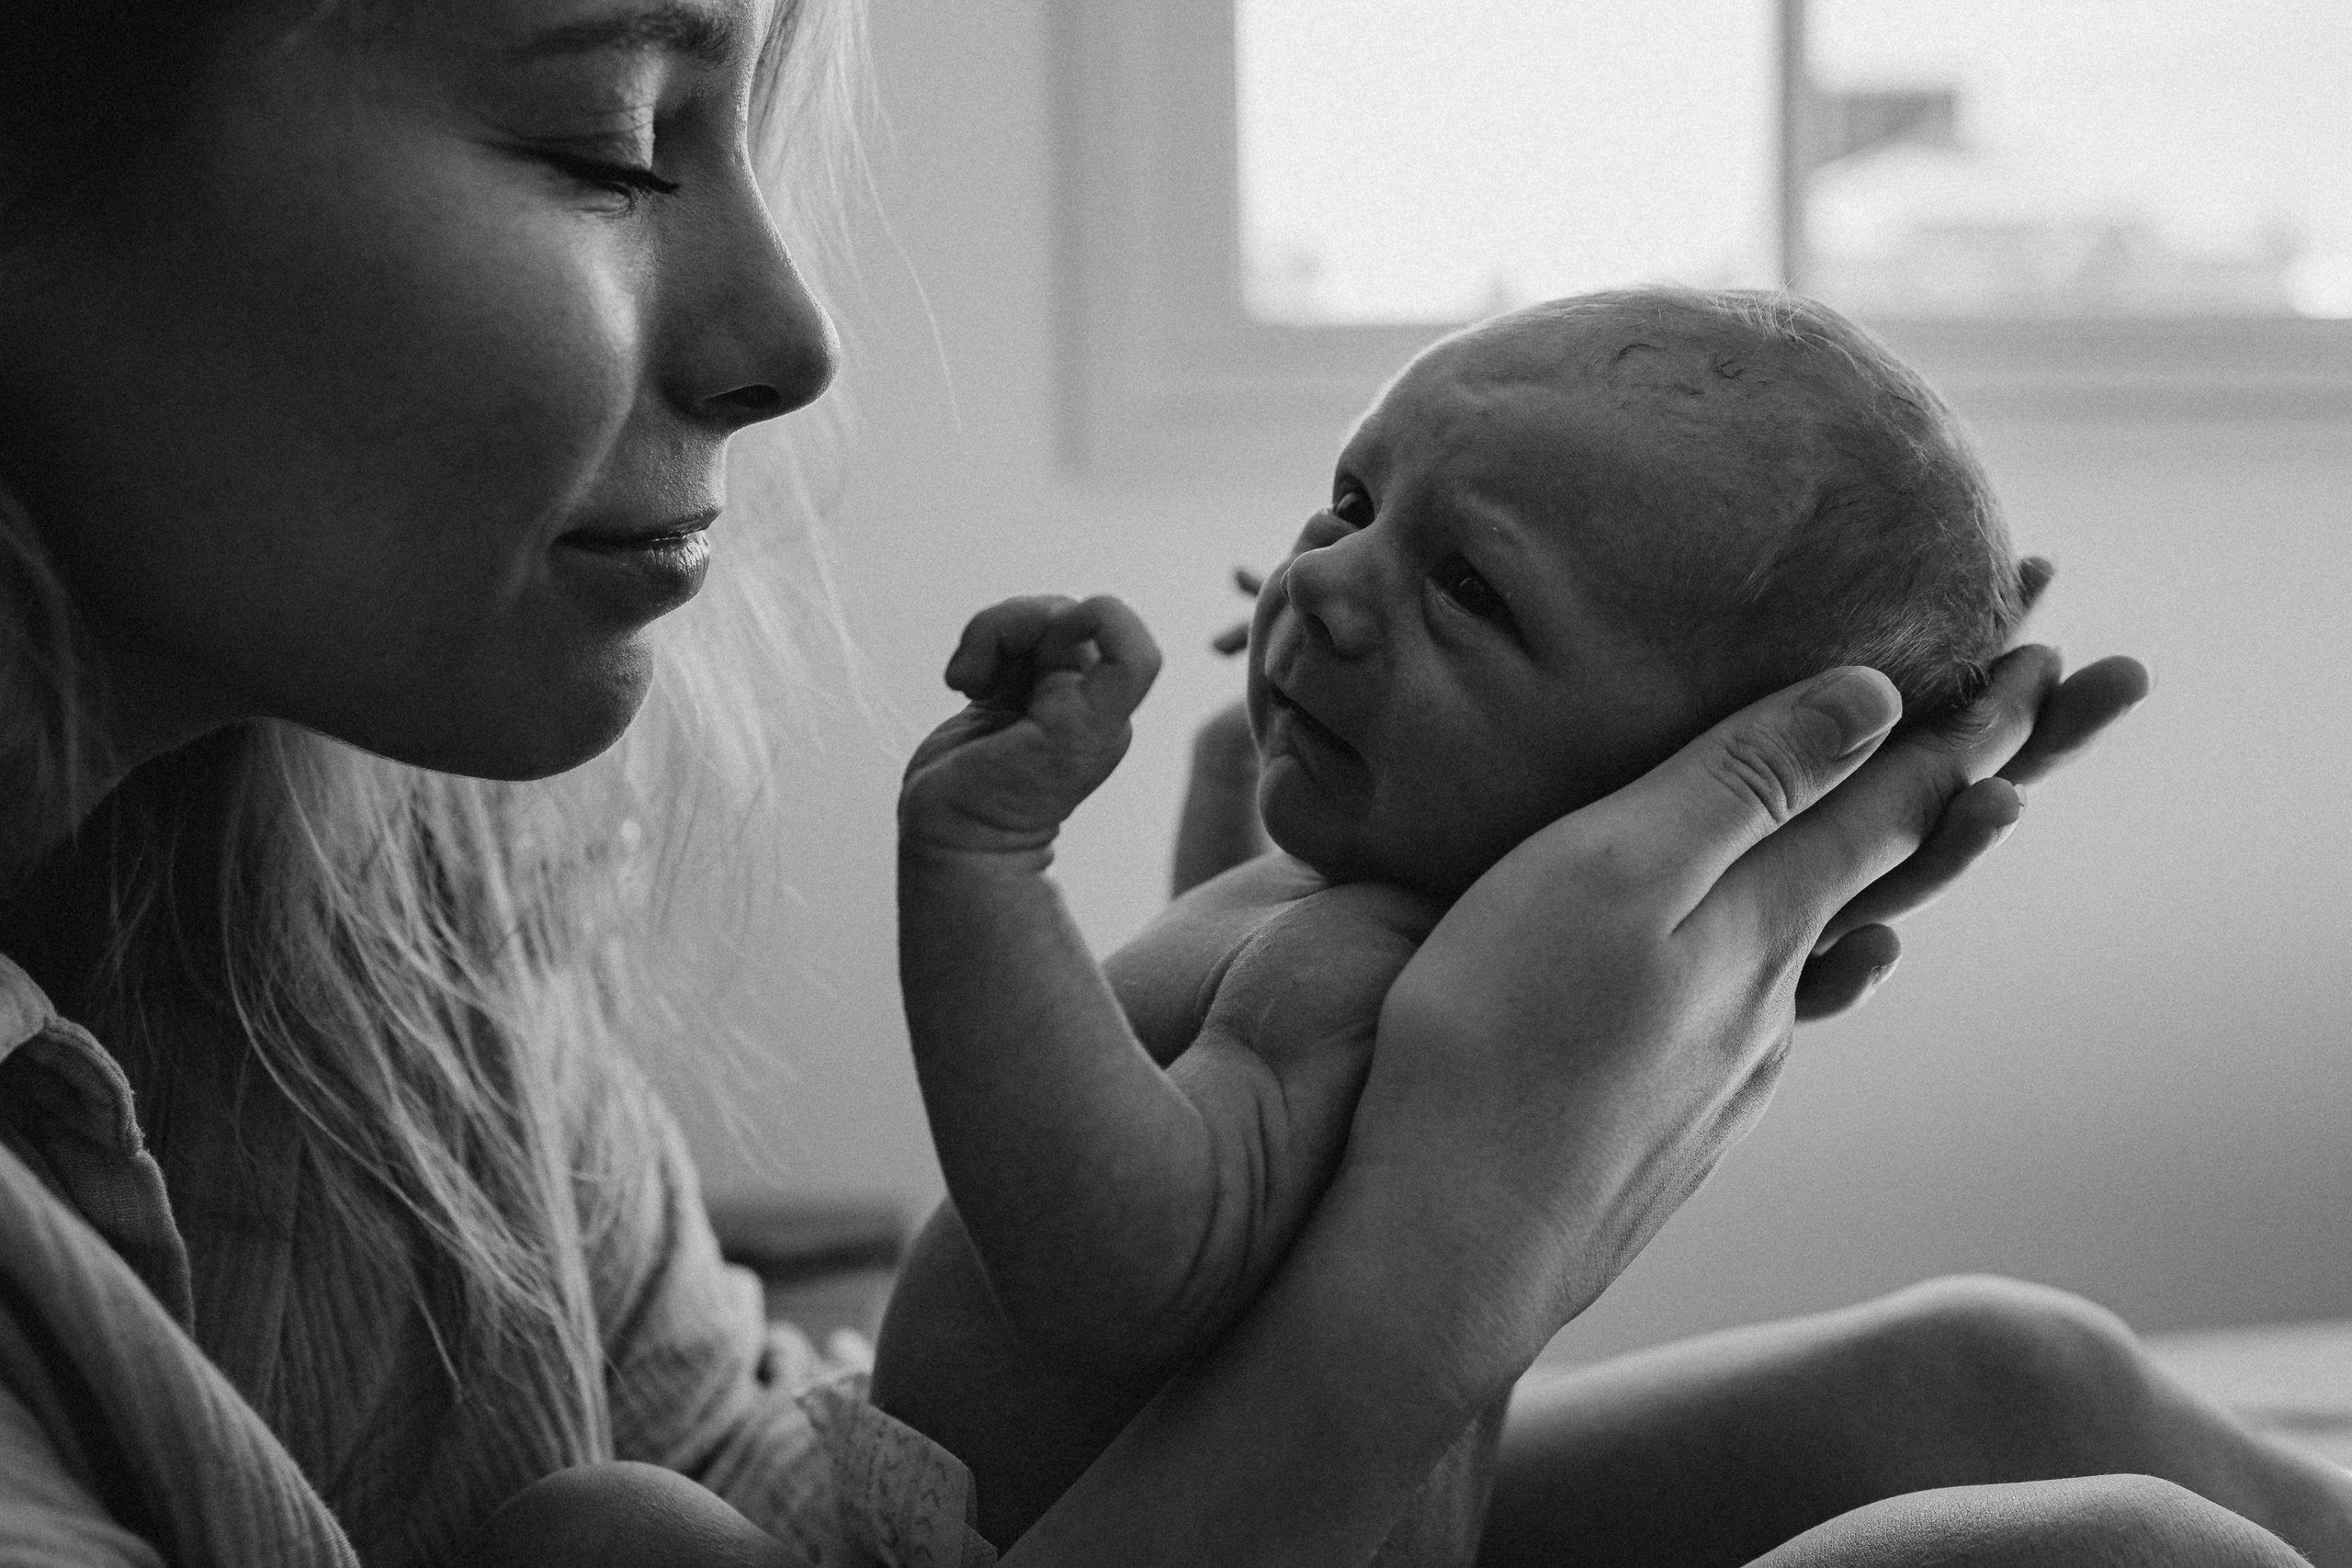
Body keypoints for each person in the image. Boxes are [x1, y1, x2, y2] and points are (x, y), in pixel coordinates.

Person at [0, 0, 2303, 1564]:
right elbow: (1104, 1251)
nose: (795, 336)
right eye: (605, 133)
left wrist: (1073, 901)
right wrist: (1450, 1270)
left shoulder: (355, 905)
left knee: (1997, 1382)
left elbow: (959, 1338)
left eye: (1475, 595)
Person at [876, 288, 2352, 1561]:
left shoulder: (1357, 970)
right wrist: (1356, 669)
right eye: (1352, 502)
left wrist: (982, 864)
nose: (1321, 578)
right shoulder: (1346, 931)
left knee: (2035, 1407)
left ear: (1683, 787)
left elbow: (1118, 1270)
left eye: (1467, 584)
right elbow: (1213, 1093)